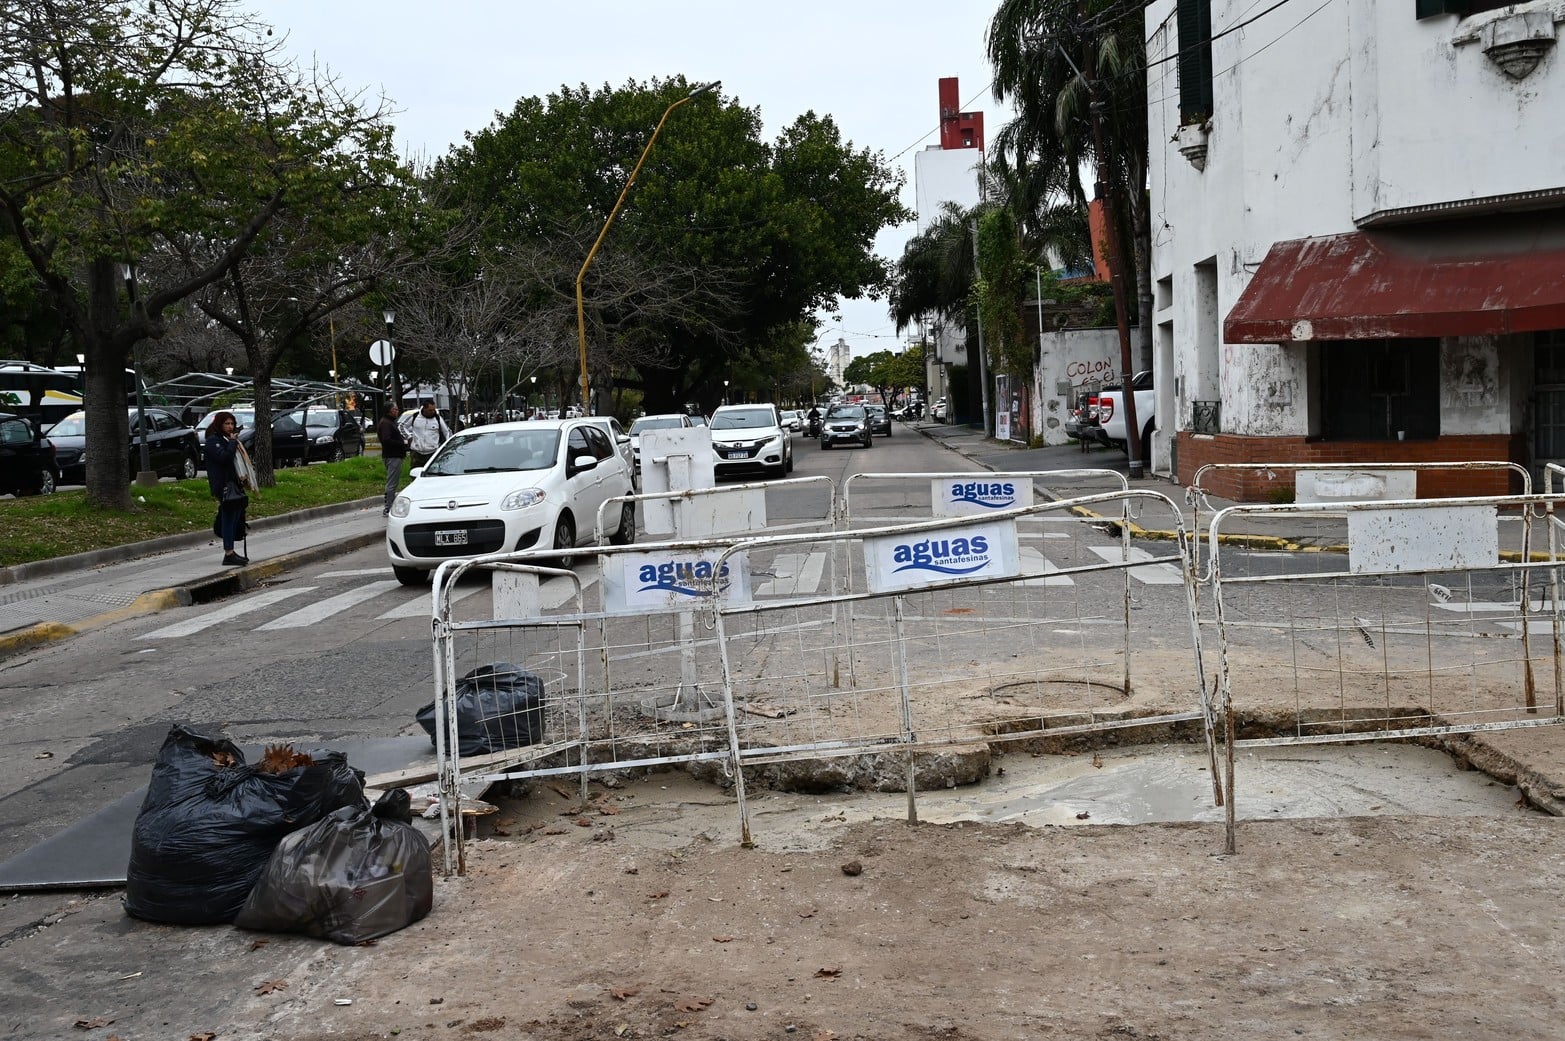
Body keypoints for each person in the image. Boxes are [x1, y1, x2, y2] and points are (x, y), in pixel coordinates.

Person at [203, 410, 249, 567]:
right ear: (219, 425)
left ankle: (231, 549)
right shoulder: (213, 441)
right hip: (222, 485)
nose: (230, 427)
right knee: (229, 517)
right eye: (226, 424)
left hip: (233, 483)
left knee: (235, 515)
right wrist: (232, 443)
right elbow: (224, 458)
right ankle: (228, 552)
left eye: (232, 424)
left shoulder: (226, 439)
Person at [398, 399, 451, 470]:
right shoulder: (415, 416)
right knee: (415, 473)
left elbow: (447, 432)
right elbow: (401, 426)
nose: (433, 412)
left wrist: (446, 446)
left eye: (433, 409)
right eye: (430, 410)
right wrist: (409, 436)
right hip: (416, 453)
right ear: (424, 408)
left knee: (432, 474)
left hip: (432, 452)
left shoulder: (438, 418)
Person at [377, 403, 407, 517]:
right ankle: (388, 508)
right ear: (389, 411)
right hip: (392, 456)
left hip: (394, 455)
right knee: (392, 483)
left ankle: (389, 505)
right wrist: (402, 443)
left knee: (393, 482)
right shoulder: (386, 423)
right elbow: (386, 439)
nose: (397, 411)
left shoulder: (389, 422)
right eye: (395, 409)